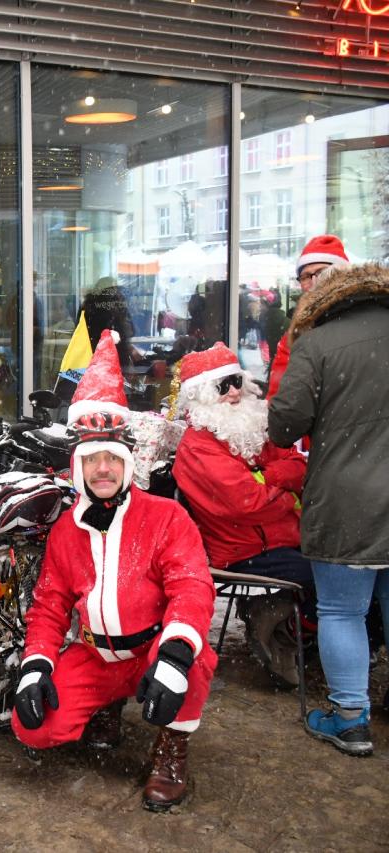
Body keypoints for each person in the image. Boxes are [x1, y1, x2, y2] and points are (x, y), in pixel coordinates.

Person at [11, 330, 216, 812]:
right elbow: (49, 606)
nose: (103, 469)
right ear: (78, 467)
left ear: (127, 464)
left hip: (152, 648)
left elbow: (192, 588)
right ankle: (107, 704)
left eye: (112, 459)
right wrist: (35, 665)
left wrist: (175, 653)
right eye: (91, 460)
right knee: (34, 729)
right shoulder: (66, 529)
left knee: (194, 657)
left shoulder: (166, 517)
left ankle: (172, 746)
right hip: (97, 655)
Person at [268, 261, 389, 757]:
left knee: (342, 611)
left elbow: (284, 426)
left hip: (347, 499)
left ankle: (351, 719)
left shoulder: (317, 343)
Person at [172, 342, 311, 687]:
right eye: (222, 386)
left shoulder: (251, 428)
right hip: (244, 551)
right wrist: (284, 487)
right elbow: (247, 504)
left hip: (286, 536)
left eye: (236, 381)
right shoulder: (198, 447)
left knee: (349, 570)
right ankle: (281, 630)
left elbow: (297, 465)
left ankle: (292, 630)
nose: (234, 392)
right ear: (201, 394)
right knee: (328, 580)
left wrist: (272, 478)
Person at [266, 234, 349, 400]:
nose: (313, 281)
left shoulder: (366, 320)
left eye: (322, 272)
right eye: (305, 276)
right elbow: (278, 395)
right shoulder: (293, 337)